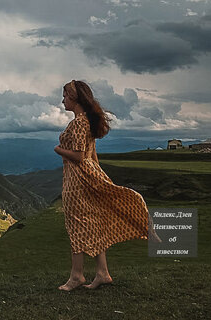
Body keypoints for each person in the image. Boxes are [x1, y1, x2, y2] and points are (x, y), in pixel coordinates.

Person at [54, 79, 158, 291]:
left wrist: (58, 150)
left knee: (76, 225)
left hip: (77, 180)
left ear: (74, 98)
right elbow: (92, 155)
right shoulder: (86, 122)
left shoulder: (78, 123)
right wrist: (100, 177)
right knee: (94, 223)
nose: (62, 100)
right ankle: (102, 273)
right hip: (86, 176)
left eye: (65, 95)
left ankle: (77, 276)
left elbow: (80, 156)